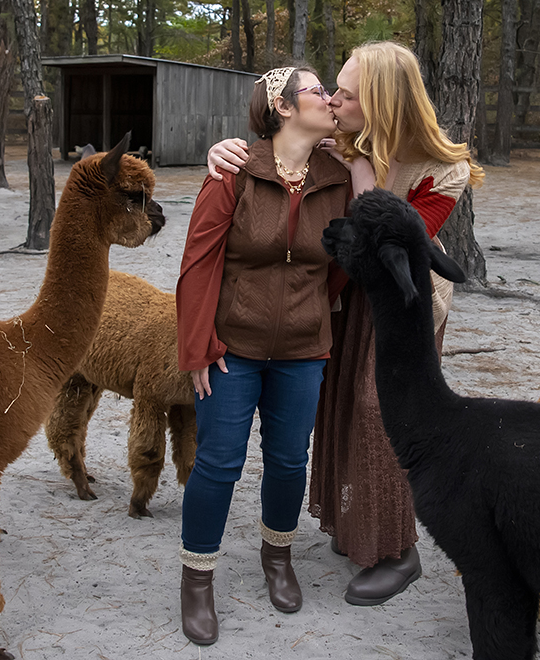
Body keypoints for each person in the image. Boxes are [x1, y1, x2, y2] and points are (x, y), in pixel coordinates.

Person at [207, 40, 484, 606]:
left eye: (346, 93)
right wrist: (226, 150)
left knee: (379, 414)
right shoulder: (334, 144)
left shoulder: (443, 169)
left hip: (402, 308)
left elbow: (386, 235)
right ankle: (353, 524)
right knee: (336, 407)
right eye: (331, 88)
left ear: (379, 101)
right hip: (340, 300)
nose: (332, 98)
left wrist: (357, 166)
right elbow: (273, 159)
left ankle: (399, 551)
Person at [175, 65, 351, 645]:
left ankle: (278, 559)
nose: (328, 98)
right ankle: (197, 579)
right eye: (316, 90)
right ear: (281, 105)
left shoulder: (338, 178)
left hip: (303, 351)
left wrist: (313, 322)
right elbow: (198, 265)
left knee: (288, 460)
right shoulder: (233, 172)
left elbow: (337, 269)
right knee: (218, 462)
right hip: (232, 350)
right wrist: (198, 348)